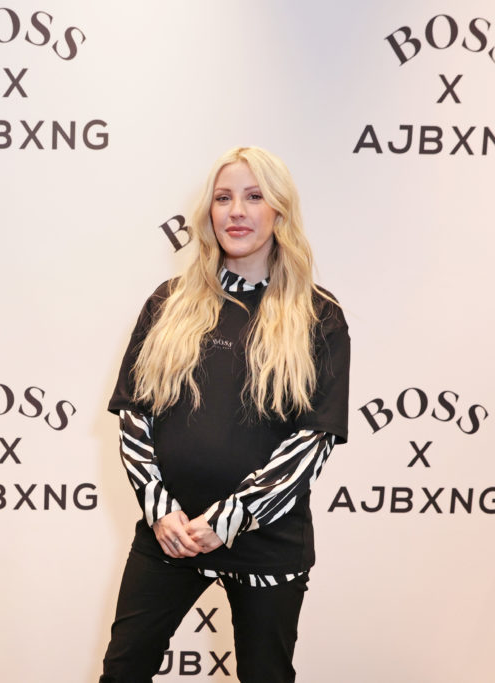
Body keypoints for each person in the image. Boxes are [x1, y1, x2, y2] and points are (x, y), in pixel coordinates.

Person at [100, 147, 349, 683]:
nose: (237, 211)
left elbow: (313, 441)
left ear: (279, 211)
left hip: (267, 544)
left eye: (254, 197)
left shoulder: (319, 315)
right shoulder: (168, 303)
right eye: (223, 198)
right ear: (208, 213)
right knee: (123, 672)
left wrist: (226, 521)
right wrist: (160, 511)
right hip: (169, 536)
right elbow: (134, 416)